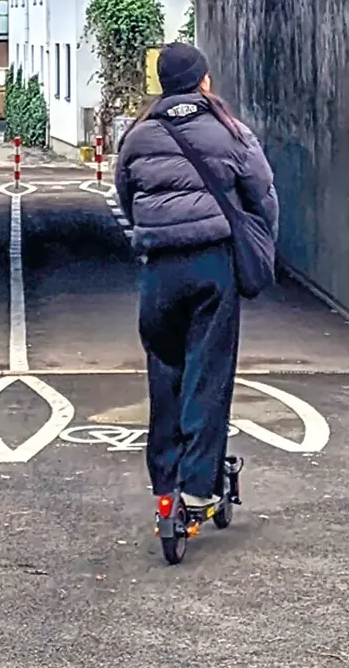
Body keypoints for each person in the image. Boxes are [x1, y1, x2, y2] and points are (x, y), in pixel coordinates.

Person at [114, 43, 278, 511]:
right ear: (204, 81)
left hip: (159, 270)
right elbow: (263, 195)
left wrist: (153, 232)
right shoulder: (230, 131)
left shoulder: (138, 135)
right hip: (212, 265)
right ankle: (196, 486)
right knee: (207, 374)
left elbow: (125, 197)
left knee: (165, 371)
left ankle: (164, 481)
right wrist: (262, 247)